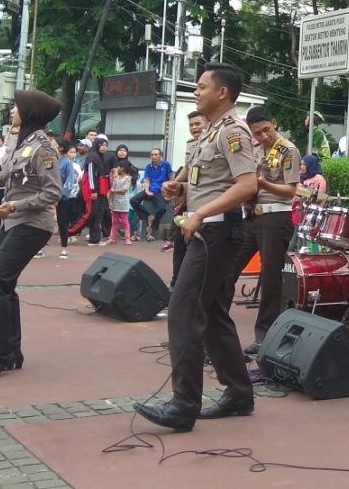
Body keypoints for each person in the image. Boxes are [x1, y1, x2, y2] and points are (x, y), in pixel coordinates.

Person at [134, 62, 255, 431]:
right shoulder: (211, 132)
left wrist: (200, 212)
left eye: (202, 86)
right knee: (213, 313)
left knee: (183, 310)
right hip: (207, 229)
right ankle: (239, 392)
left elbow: (247, 185)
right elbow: (215, 182)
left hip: (217, 232)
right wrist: (182, 188)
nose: (196, 91)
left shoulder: (233, 131)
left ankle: (184, 405)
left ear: (222, 92)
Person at [0, 90, 62, 379]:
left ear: (30, 112)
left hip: (32, 225)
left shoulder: (44, 149)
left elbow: (53, 192)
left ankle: (0, 355)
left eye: (17, 106)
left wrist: (15, 205)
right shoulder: (18, 141)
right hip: (11, 222)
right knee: (4, 285)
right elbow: (13, 173)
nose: (12, 110)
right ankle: (11, 353)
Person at [230, 106, 300, 354]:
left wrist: (263, 183)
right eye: (257, 133)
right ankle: (215, 327)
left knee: (270, 279)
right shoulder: (255, 149)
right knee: (229, 268)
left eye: (266, 130)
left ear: (274, 123)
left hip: (276, 218)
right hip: (251, 216)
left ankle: (265, 335)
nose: (263, 136)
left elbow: (290, 191)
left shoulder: (288, 150)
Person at [169, 111, 208, 286]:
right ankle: (176, 283)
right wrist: (174, 185)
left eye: (198, 124)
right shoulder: (191, 144)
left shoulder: (215, 143)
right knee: (179, 245)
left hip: (206, 203)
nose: (194, 128)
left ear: (208, 124)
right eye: (191, 125)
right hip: (188, 201)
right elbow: (187, 168)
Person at [130, 148, 173, 241]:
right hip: (150, 188)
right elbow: (147, 180)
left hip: (160, 190)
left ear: (160, 156)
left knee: (161, 209)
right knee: (133, 200)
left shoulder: (166, 164)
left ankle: (152, 227)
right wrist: (146, 191)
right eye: (152, 155)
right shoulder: (148, 166)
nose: (153, 156)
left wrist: (168, 191)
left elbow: (171, 178)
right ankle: (148, 216)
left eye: (156, 154)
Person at [85, 136, 119, 244]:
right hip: (95, 190)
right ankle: (75, 232)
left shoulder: (101, 157)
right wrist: (93, 190)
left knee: (99, 213)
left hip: (102, 190)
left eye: (106, 146)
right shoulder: (92, 157)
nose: (104, 148)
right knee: (93, 213)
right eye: (102, 145)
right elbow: (91, 175)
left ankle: (95, 238)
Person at [56, 140, 81, 258]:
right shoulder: (48, 161)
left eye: (54, 145)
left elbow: (69, 182)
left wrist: (59, 197)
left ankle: (64, 248)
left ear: (61, 148)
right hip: (46, 196)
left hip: (62, 197)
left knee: (62, 222)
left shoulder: (67, 163)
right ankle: (40, 248)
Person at [108, 164, 133, 246]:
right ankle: (112, 237)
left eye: (119, 167)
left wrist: (113, 191)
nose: (118, 168)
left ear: (123, 168)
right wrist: (110, 201)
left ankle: (127, 238)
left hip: (124, 202)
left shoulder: (128, 178)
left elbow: (124, 190)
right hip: (116, 201)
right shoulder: (116, 178)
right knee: (115, 221)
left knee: (124, 221)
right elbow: (112, 190)